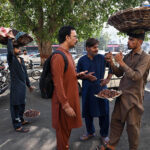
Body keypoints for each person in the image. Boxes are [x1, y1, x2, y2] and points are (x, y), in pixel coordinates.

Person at [103, 30, 150, 150]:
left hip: (133, 99)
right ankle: (111, 146)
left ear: (139, 42)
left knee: (132, 128)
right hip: (121, 95)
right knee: (116, 122)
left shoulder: (146, 57)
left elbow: (136, 76)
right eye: (128, 39)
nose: (128, 41)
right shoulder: (128, 55)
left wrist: (121, 62)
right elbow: (119, 73)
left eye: (131, 39)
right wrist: (112, 62)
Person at [51, 26, 86, 150]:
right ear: (67, 37)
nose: (76, 39)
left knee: (67, 133)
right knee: (62, 135)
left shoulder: (67, 54)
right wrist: (65, 105)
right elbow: (58, 83)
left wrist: (77, 75)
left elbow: (65, 76)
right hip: (63, 105)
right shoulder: (58, 56)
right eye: (75, 36)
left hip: (71, 100)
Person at [77, 38, 112, 143]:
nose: (96, 49)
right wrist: (86, 76)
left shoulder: (101, 58)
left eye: (97, 47)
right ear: (87, 48)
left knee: (104, 113)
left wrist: (108, 79)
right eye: (94, 47)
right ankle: (90, 131)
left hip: (101, 88)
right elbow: (78, 75)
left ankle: (104, 134)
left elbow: (112, 68)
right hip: (87, 90)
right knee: (88, 112)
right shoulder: (82, 60)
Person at [7, 31, 33, 133]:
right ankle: (17, 125)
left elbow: (25, 74)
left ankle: (21, 120)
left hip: (22, 87)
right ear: (13, 50)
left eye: (19, 48)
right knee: (16, 106)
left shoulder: (21, 60)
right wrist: (9, 39)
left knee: (22, 104)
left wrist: (29, 85)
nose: (19, 50)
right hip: (15, 87)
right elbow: (9, 51)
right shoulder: (11, 59)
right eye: (17, 48)